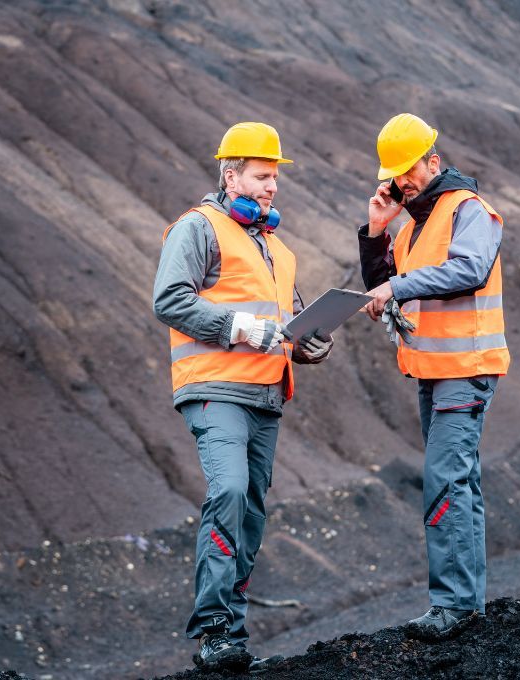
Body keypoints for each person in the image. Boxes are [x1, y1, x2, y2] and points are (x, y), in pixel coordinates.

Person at [152, 121, 332, 672]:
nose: (272, 186)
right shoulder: (197, 228)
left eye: (275, 177)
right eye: (261, 176)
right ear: (230, 175)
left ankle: (232, 632)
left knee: (251, 511)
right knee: (228, 491)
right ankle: (211, 631)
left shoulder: (278, 249)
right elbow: (170, 300)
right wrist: (239, 327)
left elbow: (285, 325)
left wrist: (310, 344)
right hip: (214, 388)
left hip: (265, 395)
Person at [356, 113, 509, 639]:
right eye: (395, 175)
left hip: (466, 368)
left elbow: (470, 270)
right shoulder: (413, 226)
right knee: (460, 481)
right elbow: (385, 283)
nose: (402, 182)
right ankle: (468, 605)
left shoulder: (468, 210)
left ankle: (453, 605)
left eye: (409, 171)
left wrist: (397, 290)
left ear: (434, 161)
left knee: (445, 479)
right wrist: (377, 232)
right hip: (432, 370)